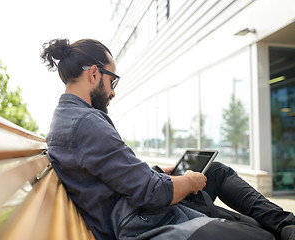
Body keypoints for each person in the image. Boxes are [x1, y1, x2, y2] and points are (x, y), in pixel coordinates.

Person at [41, 38, 295, 240]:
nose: (113, 93)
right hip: (142, 222)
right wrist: (186, 180)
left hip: (138, 211)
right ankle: (283, 227)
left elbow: (112, 173)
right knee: (259, 234)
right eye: (113, 81)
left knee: (214, 171)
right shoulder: (86, 122)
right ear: (94, 74)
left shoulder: (68, 117)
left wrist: (158, 172)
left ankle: (286, 225)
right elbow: (152, 193)